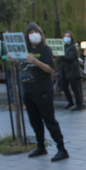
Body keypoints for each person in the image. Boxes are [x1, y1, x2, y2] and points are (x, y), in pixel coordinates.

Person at [16, 23, 69, 162]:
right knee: (34, 120)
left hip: (43, 90)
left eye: (36, 31)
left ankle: (61, 148)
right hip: (28, 89)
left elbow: (50, 69)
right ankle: (41, 145)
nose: (34, 34)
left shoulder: (45, 49)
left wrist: (35, 61)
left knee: (49, 119)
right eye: (31, 32)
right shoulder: (24, 49)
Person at [57, 30, 84, 110]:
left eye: (68, 36)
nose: (66, 38)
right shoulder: (63, 47)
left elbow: (70, 58)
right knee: (64, 87)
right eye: (65, 36)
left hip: (72, 71)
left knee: (75, 88)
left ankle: (79, 104)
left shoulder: (73, 47)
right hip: (64, 71)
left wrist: (61, 56)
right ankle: (70, 102)